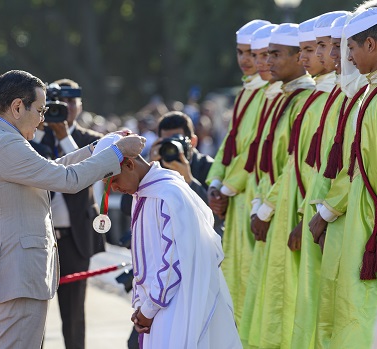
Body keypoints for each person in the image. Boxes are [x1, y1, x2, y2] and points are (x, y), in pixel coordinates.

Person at [0, 70, 145, 349]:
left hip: (6, 276)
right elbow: (67, 180)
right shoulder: (6, 143)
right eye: (39, 109)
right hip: (17, 278)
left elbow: (51, 170)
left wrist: (97, 148)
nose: (42, 118)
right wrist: (117, 153)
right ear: (16, 107)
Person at [93, 133, 241, 349]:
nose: (114, 189)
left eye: (113, 181)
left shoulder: (169, 194)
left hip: (179, 307)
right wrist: (142, 306)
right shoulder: (145, 193)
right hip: (158, 309)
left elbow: (173, 263)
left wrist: (148, 309)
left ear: (129, 164)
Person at [244, 23, 316, 348]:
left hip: (290, 210)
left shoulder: (304, 101)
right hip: (274, 208)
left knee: (286, 298)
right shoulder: (283, 97)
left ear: (299, 58)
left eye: (275, 54)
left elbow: (294, 166)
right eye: (266, 53)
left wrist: (268, 206)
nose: (267, 62)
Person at [312, 8, 377, 348]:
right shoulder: (368, 95)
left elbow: (362, 169)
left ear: (371, 44)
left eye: (349, 47)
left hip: (366, 221)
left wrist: (325, 212)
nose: (344, 56)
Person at [205, 19, 270, 324]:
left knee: (252, 282)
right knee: (236, 280)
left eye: (254, 54)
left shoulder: (270, 94)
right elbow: (228, 146)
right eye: (241, 52)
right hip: (235, 200)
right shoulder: (246, 92)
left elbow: (255, 150)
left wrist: (226, 189)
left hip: (253, 197)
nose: (246, 60)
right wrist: (215, 183)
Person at [289, 11, 348, 349]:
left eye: (323, 47)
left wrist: (324, 212)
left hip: (334, 215)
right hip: (315, 210)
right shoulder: (322, 99)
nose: (316, 57)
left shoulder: (341, 99)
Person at [35, 78, 105, 349]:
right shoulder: (34, 136)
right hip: (40, 238)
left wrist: (65, 138)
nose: (65, 108)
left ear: (80, 105)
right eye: (58, 103)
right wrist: (42, 131)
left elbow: (90, 172)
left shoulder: (89, 140)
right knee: (33, 313)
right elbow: (29, 161)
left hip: (75, 238)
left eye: (71, 102)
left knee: (74, 315)